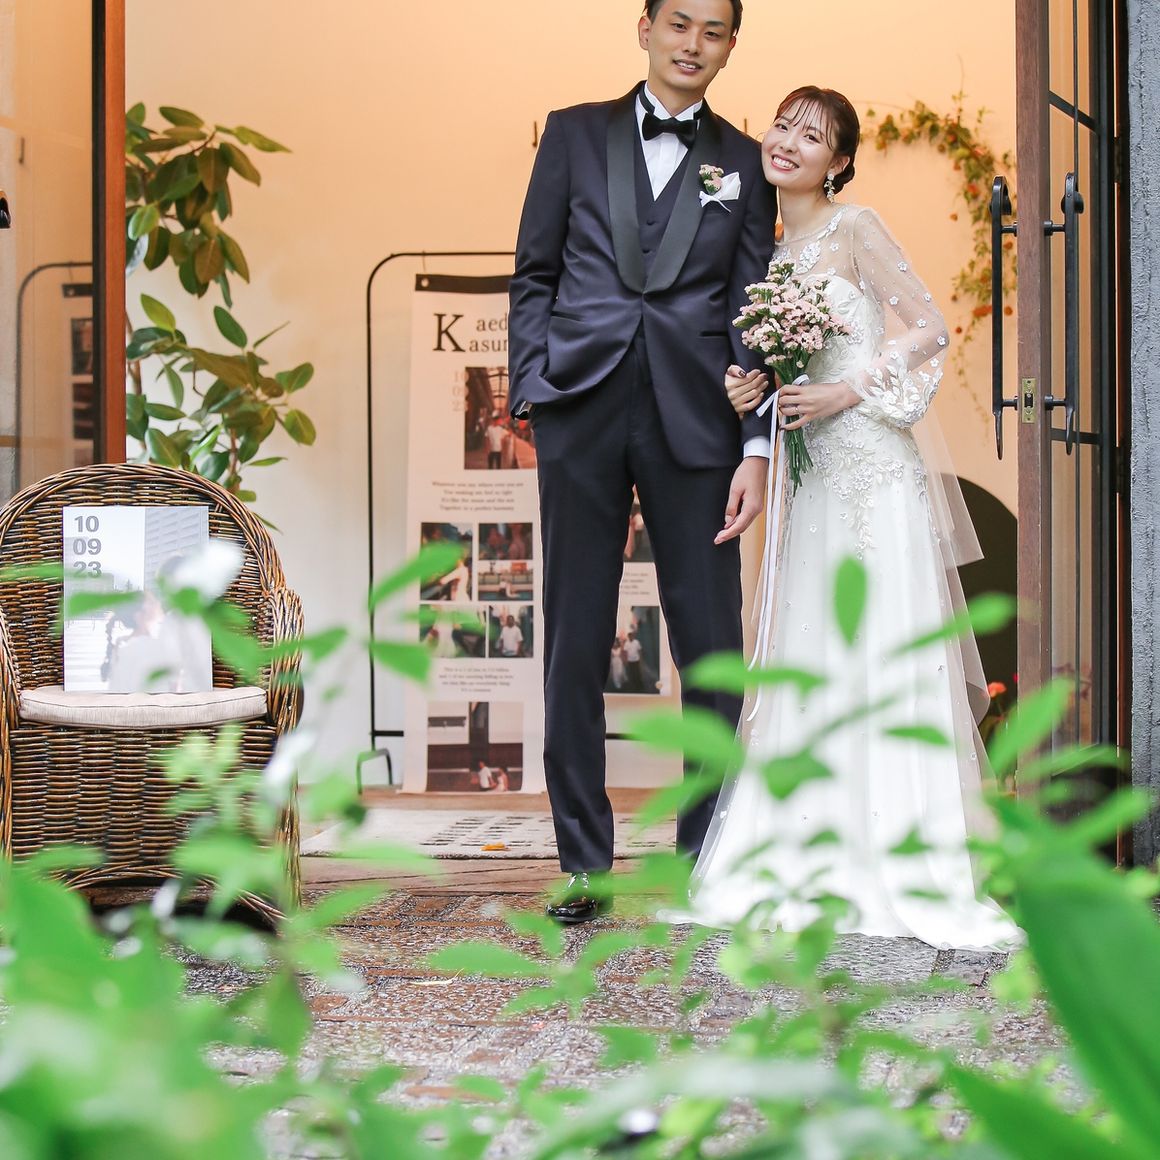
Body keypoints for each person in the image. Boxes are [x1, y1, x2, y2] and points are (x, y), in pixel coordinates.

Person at [681, 86, 1019, 951]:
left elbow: (927, 329)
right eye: (783, 126)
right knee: (813, 650)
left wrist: (847, 388)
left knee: (878, 646)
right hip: (810, 484)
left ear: (838, 162)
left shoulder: (856, 227)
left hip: (870, 469)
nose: (789, 142)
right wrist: (751, 387)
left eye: (813, 136)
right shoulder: (763, 247)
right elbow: (771, 368)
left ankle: (901, 857)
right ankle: (805, 853)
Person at [509, 0, 777, 924]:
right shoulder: (572, 133)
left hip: (698, 417)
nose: (693, 44)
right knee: (574, 638)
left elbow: (754, 305)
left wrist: (755, 440)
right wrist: (531, 386)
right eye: (679, 24)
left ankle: (704, 860)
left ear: (730, 46)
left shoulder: (745, 162)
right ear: (646, 29)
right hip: (579, 407)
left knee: (711, 643)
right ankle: (584, 865)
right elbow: (534, 270)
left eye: (714, 31)